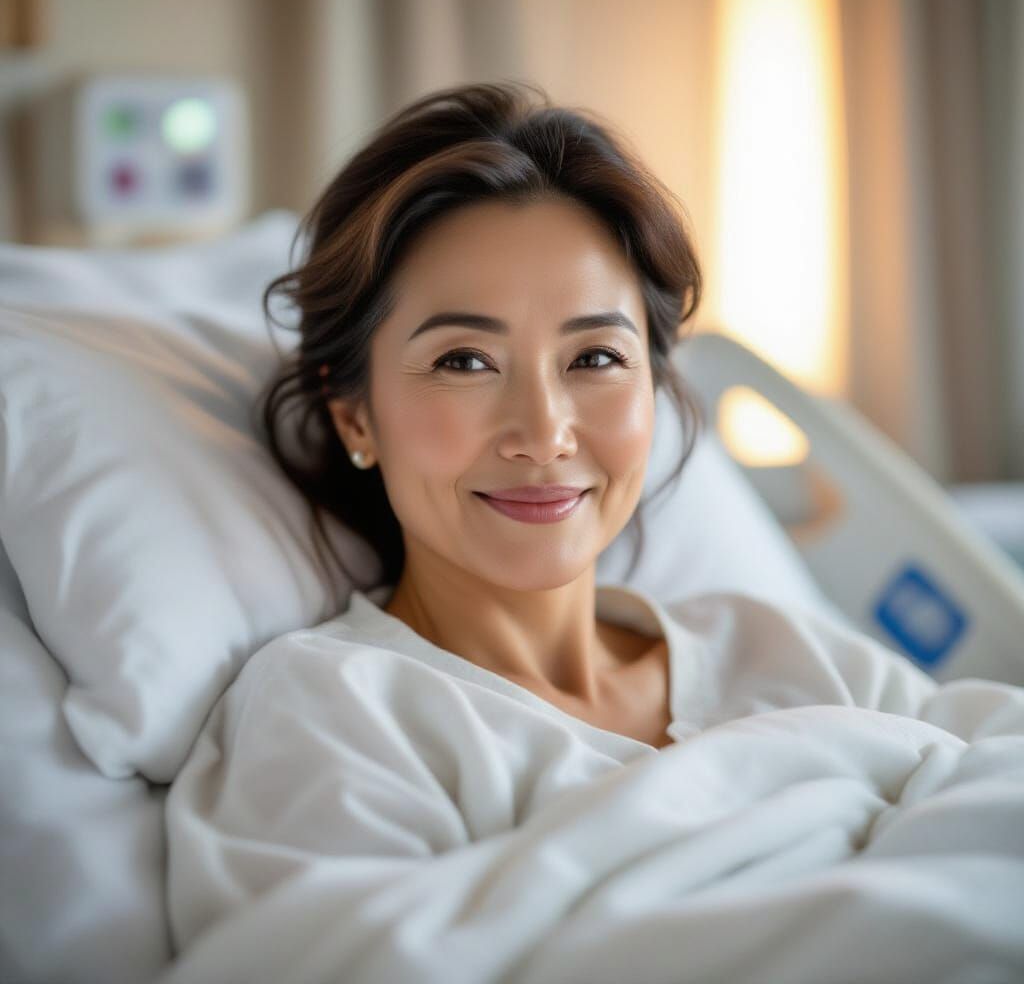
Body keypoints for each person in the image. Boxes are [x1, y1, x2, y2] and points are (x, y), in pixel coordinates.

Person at [162, 80, 1024, 983]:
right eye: (465, 360)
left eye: (596, 358)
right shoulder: (337, 714)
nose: (544, 432)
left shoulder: (784, 650)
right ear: (355, 417)